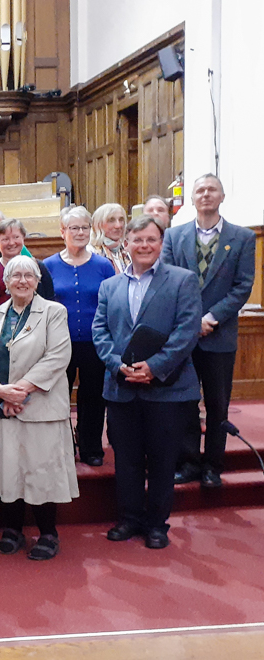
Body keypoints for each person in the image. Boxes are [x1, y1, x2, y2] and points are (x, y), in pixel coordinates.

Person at [93, 215, 202, 549]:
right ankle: (129, 519)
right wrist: (117, 365)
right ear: (126, 243)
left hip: (166, 389)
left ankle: (156, 524)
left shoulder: (182, 281)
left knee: (161, 460)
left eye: (150, 240)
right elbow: (100, 332)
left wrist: (154, 367)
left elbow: (187, 332)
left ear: (161, 243)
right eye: (137, 239)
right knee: (125, 459)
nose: (143, 246)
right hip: (121, 388)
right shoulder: (109, 286)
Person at [0, 256, 78, 560]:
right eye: (15, 275)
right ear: (5, 282)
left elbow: (58, 356)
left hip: (39, 407)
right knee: (7, 468)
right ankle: (12, 530)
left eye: (29, 275)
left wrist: (21, 391)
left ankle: (47, 533)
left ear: (38, 280)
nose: (22, 280)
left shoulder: (54, 312)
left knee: (40, 470)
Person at [163, 174, 256, 488]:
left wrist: (212, 317)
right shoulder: (174, 237)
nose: (205, 194)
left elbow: (242, 287)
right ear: (192, 198)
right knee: (186, 401)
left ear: (222, 196)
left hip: (219, 336)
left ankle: (212, 466)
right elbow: (167, 282)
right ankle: (188, 461)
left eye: (211, 189)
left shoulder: (242, 237)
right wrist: (192, 321)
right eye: (200, 190)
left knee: (218, 404)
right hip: (184, 338)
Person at [43, 207, 115, 466]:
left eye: (85, 227)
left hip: (96, 344)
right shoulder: (48, 266)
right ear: (63, 232)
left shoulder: (103, 266)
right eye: (74, 228)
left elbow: (112, 304)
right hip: (59, 344)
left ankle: (91, 447)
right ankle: (60, 446)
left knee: (94, 396)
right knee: (57, 396)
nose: (80, 232)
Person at [0, 218, 55, 332]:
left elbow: (50, 300)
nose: (11, 243)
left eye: (16, 237)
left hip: (36, 332)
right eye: (5, 239)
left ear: (23, 238)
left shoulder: (39, 268)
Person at [90, 203, 131, 274]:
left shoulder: (127, 251)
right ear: (99, 225)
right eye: (111, 220)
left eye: (121, 220)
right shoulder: (90, 253)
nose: (118, 225)